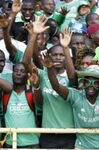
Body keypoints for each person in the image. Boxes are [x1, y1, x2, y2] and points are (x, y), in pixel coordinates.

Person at [44, 48, 99, 148]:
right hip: (81, 146)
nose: (91, 85)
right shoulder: (76, 96)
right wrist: (50, 69)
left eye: (95, 82)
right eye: (88, 81)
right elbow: (56, 87)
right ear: (83, 82)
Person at [22, 16, 76, 148]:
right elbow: (25, 62)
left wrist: (65, 47)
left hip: (70, 133)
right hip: (48, 133)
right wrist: (34, 35)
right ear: (48, 56)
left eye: (61, 55)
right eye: (54, 54)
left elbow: (72, 76)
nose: (58, 57)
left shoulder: (71, 77)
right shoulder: (42, 74)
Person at [1, 63, 40, 148]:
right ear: (12, 74)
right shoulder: (5, 94)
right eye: (16, 71)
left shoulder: (31, 92)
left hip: (31, 143)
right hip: (10, 144)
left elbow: (40, 102)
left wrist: (36, 85)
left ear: (27, 75)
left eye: (22, 71)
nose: (18, 73)